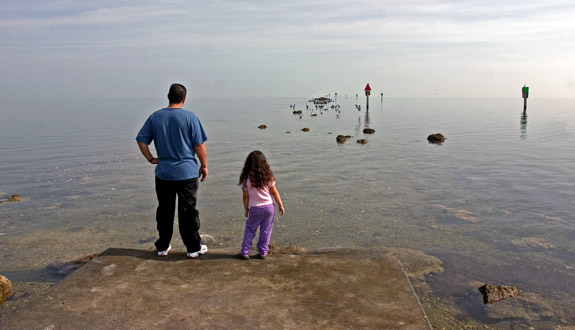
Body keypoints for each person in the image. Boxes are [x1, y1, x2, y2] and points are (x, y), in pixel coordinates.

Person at [136, 83, 209, 259]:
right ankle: (192, 248)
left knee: (165, 211)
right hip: (187, 173)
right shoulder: (190, 117)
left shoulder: (155, 117)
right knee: (188, 212)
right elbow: (199, 145)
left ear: (168, 96)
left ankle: (162, 246)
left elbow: (141, 140)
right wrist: (204, 165)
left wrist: (151, 159)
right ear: (184, 99)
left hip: (164, 173)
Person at [237, 151, 285, 260]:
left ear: (248, 164)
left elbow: (245, 197)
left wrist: (246, 209)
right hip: (268, 207)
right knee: (266, 230)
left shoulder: (246, 179)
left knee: (250, 230)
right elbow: (274, 192)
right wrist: (280, 204)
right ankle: (263, 252)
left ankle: (245, 252)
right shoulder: (268, 176)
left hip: (254, 208)